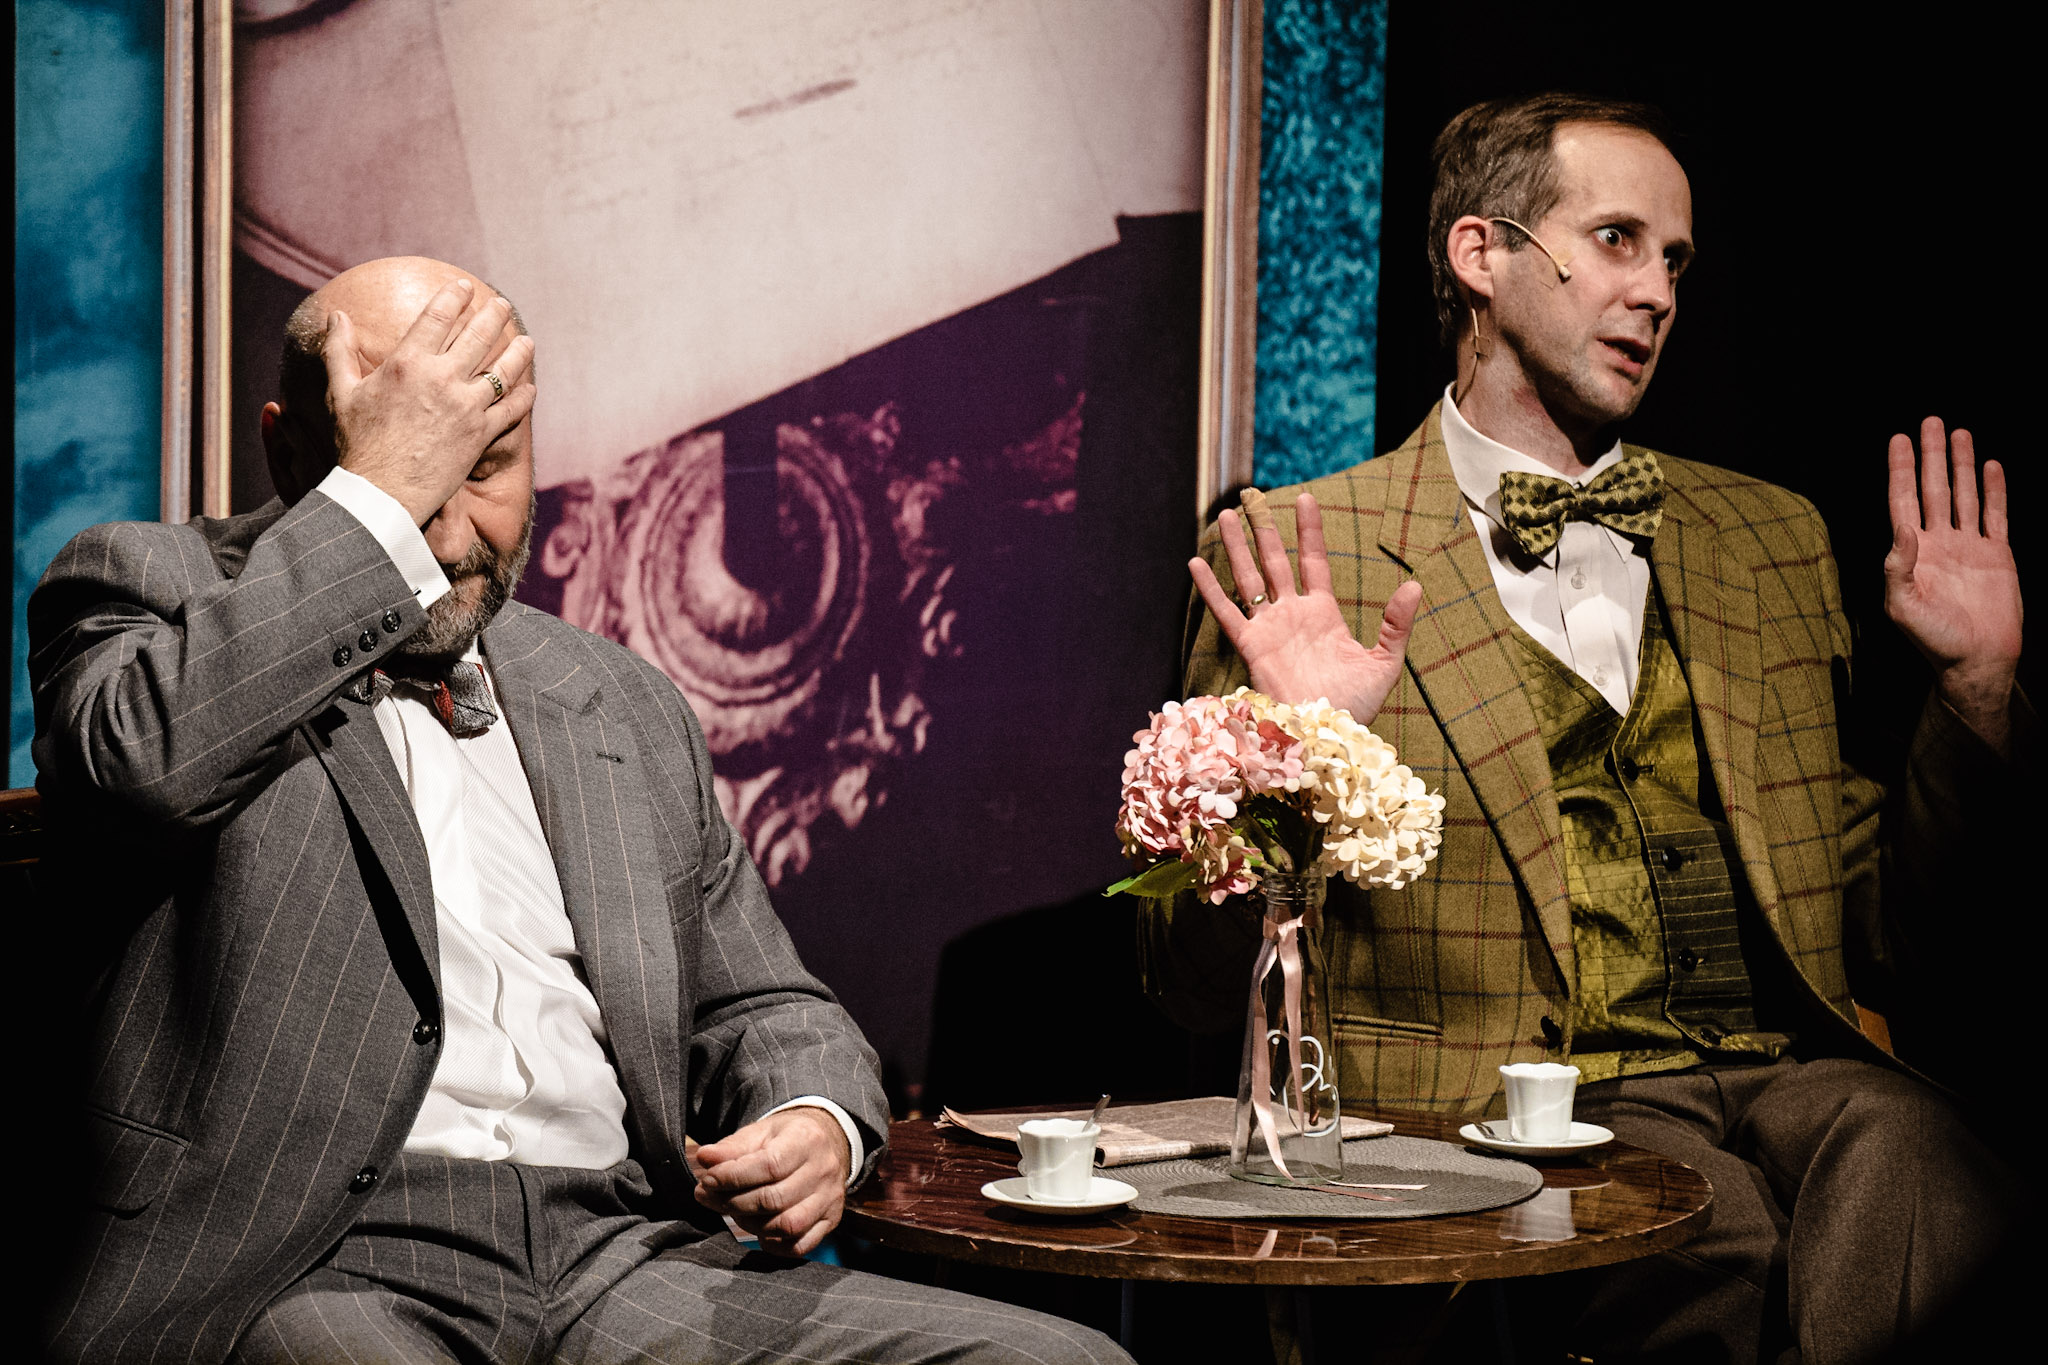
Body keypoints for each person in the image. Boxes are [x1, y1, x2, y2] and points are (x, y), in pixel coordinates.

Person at [31, 256, 1128, 1365]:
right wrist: (374, 503)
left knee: (1060, 1362)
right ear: (288, 452)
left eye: (486, 466)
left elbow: (761, 1001)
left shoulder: (614, 697)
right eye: (408, 470)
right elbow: (134, 764)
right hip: (307, 1262)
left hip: (615, 1254)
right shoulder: (150, 589)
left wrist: (815, 1119)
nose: (446, 535)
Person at [1139, 94, 2027, 1363]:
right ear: (1479, 255)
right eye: (1615, 240)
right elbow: (1186, 980)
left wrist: (1977, 691)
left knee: (1925, 1153)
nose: (1655, 291)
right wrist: (1293, 756)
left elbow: (1896, 939)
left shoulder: (1765, 537)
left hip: (1781, 1071)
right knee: (1713, 1246)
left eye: (1673, 260)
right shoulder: (1303, 547)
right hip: (1501, 1100)